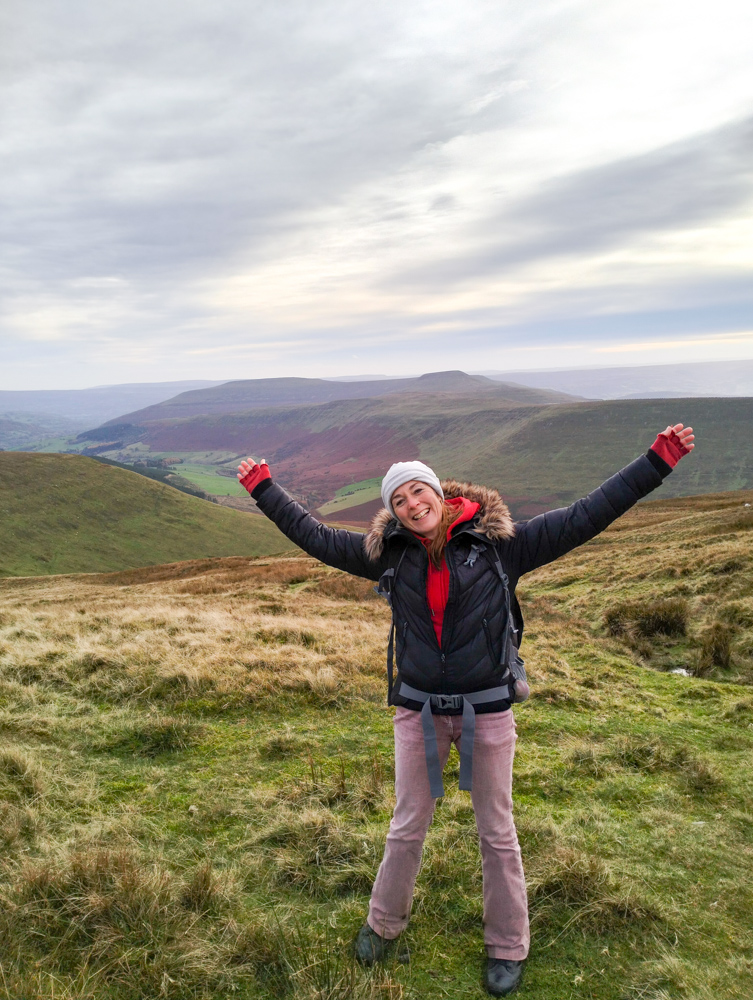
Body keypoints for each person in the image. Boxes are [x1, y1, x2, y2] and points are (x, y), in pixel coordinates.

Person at [237, 423, 694, 997]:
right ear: (393, 514)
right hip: (418, 711)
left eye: (417, 492)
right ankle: (383, 925)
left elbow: (588, 513)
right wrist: (263, 488)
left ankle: (508, 944)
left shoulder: (504, 545)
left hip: (488, 709)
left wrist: (657, 461)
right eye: (398, 500)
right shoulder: (388, 555)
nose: (411, 504)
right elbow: (316, 536)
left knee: (497, 831)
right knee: (406, 826)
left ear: (439, 492)